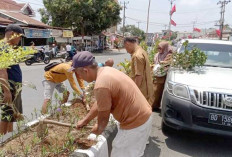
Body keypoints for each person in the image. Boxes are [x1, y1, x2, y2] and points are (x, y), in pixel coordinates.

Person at [72, 51, 152, 157]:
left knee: (120, 153)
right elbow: (100, 103)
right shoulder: (107, 71)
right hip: (143, 116)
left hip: (135, 123)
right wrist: (86, 120)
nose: (80, 77)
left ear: (85, 71)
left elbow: (103, 121)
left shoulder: (101, 85)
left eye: (78, 74)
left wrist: (94, 133)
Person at [0, 24, 24, 135]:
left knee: (11, 116)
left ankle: (8, 138)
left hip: (13, 87)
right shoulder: (4, 47)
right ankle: (3, 143)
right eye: (19, 36)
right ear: (12, 34)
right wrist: (7, 91)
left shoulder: (8, 47)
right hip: (9, 87)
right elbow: (2, 70)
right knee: (6, 115)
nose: (20, 39)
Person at [124, 37, 154, 105]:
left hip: (141, 90)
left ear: (128, 44)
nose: (127, 51)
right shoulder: (142, 51)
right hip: (147, 88)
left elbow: (138, 76)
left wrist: (134, 92)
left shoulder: (137, 56)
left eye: (126, 48)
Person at [153, 41, 173, 111]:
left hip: (163, 75)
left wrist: (162, 63)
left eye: (160, 48)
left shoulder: (169, 55)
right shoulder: (157, 54)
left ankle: (155, 106)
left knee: (158, 90)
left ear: (164, 48)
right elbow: (154, 62)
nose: (158, 49)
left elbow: (167, 63)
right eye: (158, 48)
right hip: (156, 73)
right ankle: (152, 104)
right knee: (154, 89)